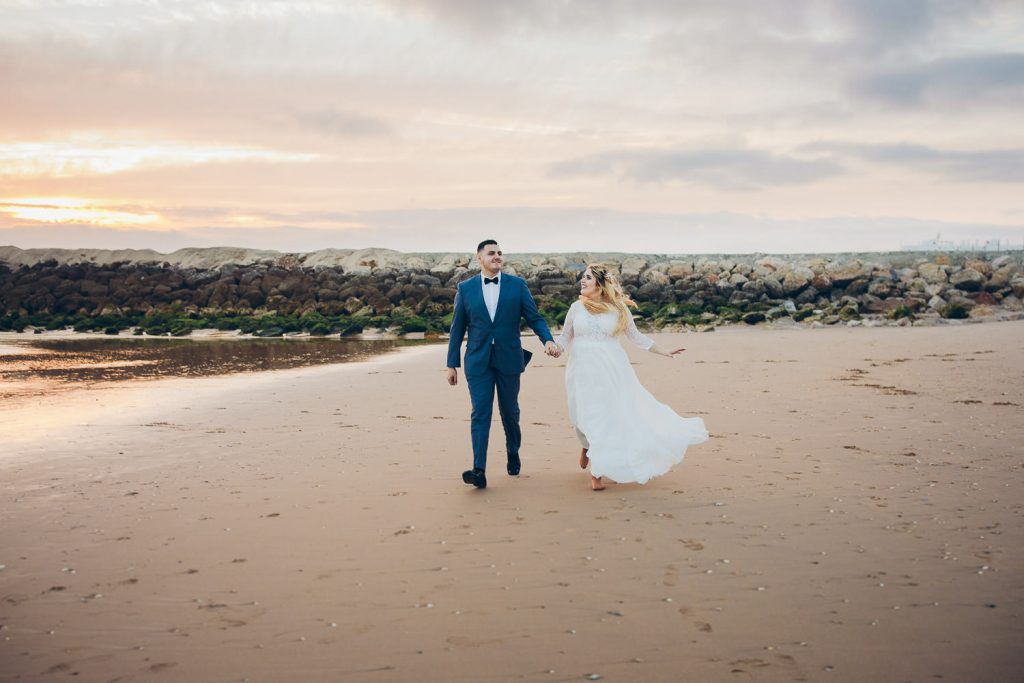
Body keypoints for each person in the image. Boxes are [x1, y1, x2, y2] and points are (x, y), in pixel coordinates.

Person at [553, 263, 708, 490]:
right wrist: (554, 347)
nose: (582, 282)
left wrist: (664, 351)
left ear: (600, 283)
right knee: (581, 413)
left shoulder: (619, 309)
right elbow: (565, 336)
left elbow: (637, 338)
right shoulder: (576, 308)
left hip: (612, 370)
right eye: (582, 278)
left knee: (605, 415)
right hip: (581, 370)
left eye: (587, 278)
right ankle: (586, 445)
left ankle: (597, 472)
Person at [446, 240, 561, 489]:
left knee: (510, 412)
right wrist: (451, 363)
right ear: (479, 258)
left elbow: (534, 317)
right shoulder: (465, 289)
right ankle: (479, 469)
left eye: (499, 253)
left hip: (509, 358)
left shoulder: (517, 285)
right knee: (480, 413)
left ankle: (513, 451)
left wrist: (548, 340)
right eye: (491, 253)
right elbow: (457, 328)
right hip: (478, 360)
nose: (497, 256)